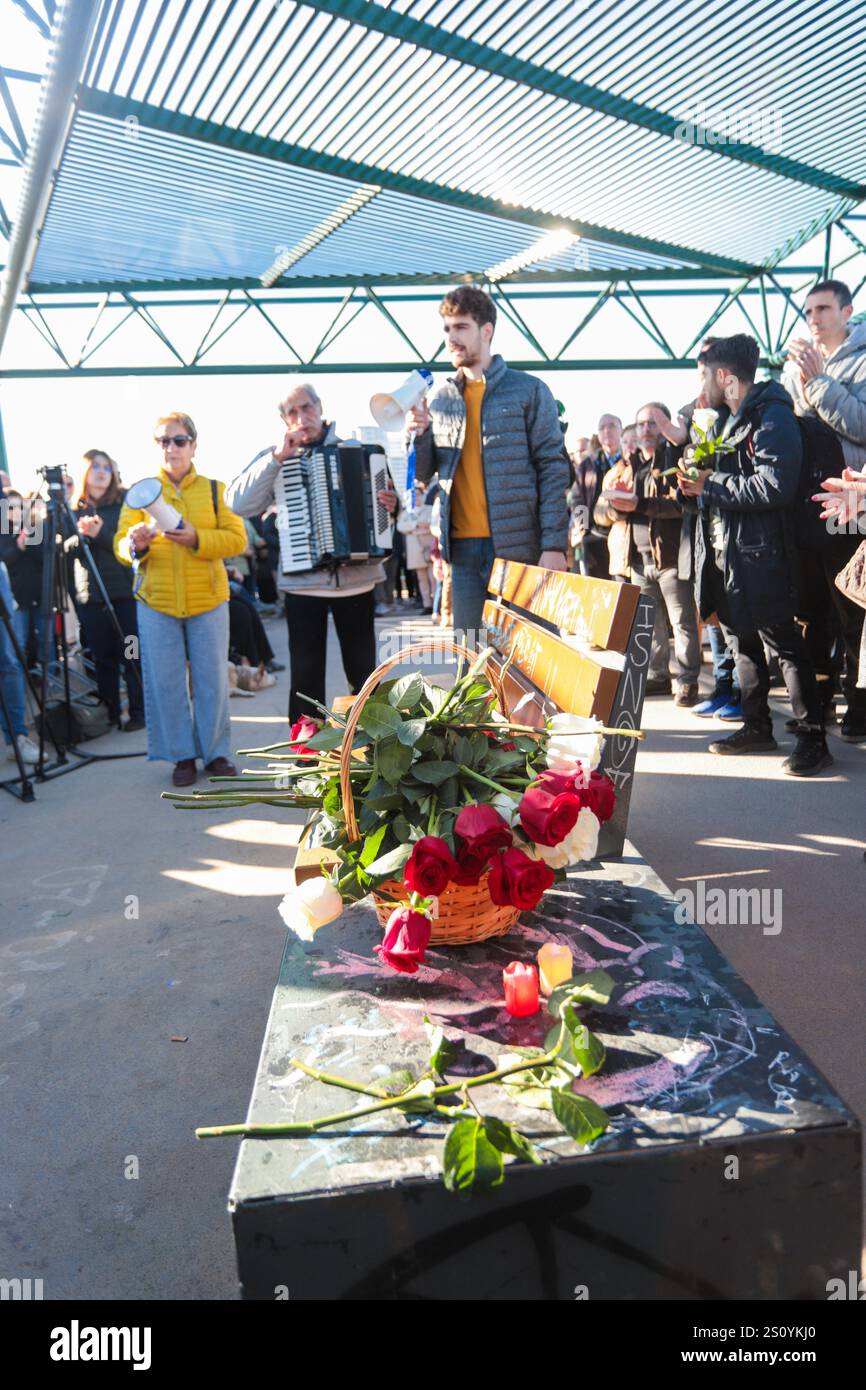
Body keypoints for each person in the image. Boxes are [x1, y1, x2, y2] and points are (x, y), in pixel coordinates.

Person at [678, 334, 832, 776]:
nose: (700, 383)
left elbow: (774, 486)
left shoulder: (772, 416)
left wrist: (710, 483)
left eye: (704, 374)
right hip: (728, 555)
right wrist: (693, 488)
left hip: (764, 553)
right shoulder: (727, 421)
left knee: (783, 643)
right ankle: (756, 726)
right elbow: (721, 491)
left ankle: (812, 737)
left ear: (725, 376)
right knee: (740, 639)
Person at [225, 382, 398, 725]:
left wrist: (393, 507)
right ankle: (307, 758)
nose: (302, 416)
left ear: (320, 407)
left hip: (358, 582)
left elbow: (388, 508)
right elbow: (238, 504)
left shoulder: (361, 450)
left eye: (307, 407)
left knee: (363, 673)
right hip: (303, 586)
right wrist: (276, 460)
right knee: (306, 677)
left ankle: (367, 749)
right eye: (292, 411)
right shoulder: (274, 458)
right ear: (283, 419)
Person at [410, 286, 570, 643]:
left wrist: (554, 545)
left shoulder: (529, 391)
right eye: (447, 329)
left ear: (486, 331)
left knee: (533, 656)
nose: (451, 338)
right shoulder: (441, 401)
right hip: (463, 554)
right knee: (469, 662)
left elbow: (553, 468)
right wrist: (419, 435)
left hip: (521, 548)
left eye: (461, 327)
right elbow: (423, 475)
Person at [114, 413, 247, 787]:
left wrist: (197, 539)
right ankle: (181, 755)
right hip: (157, 602)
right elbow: (120, 544)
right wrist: (134, 544)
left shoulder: (214, 490)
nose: (170, 447)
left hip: (208, 600)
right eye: (162, 440)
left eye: (179, 440)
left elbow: (237, 540)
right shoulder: (140, 493)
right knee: (166, 682)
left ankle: (216, 752)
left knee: (212, 681)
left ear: (193, 445)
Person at [784, 279, 866, 742]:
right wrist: (800, 383)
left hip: (852, 506)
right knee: (811, 610)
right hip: (807, 506)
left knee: (853, 609)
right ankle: (819, 705)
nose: (813, 318)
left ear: (847, 311)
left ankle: (860, 705)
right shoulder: (796, 367)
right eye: (808, 311)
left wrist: (818, 382)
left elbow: (861, 424)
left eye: (822, 309)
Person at [606, 403, 701, 705]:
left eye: (653, 423)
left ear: (665, 426)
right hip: (637, 560)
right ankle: (657, 676)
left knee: (682, 623)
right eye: (641, 424)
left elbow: (680, 505)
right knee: (651, 624)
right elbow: (603, 510)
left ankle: (687, 682)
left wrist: (639, 504)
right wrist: (614, 506)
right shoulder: (630, 465)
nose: (646, 430)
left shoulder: (675, 459)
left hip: (670, 558)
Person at [68, 450, 145, 732]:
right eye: (95, 467)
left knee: (132, 653)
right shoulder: (73, 511)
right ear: (85, 473)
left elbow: (127, 546)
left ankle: (139, 711)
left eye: (107, 468)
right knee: (103, 659)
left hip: (125, 595)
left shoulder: (124, 504)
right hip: (91, 598)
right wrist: (81, 536)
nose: (101, 472)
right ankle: (110, 714)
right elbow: (62, 550)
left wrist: (99, 535)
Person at [571, 414, 623, 579]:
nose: (607, 430)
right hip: (595, 535)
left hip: (624, 533)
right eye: (602, 427)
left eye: (612, 426)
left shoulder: (630, 459)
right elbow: (577, 498)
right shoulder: (588, 464)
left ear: (621, 430)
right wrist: (584, 528)